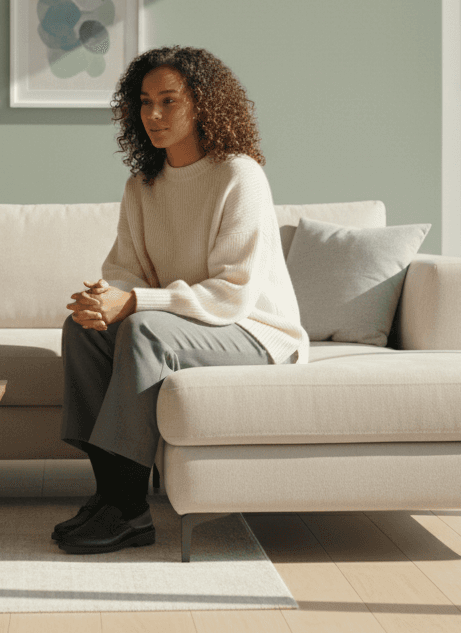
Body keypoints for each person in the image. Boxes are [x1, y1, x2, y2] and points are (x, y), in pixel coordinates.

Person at [53, 46, 309, 555]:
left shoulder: (240, 176)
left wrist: (134, 305)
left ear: (203, 104)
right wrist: (106, 297)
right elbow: (126, 268)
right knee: (82, 329)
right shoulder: (142, 186)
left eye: (168, 101)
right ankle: (110, 494)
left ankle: (128, 511)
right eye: (144, 102)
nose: (153, 115)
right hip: (192, 324)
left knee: (144, 330)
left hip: (256, 331)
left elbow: (233, 292)